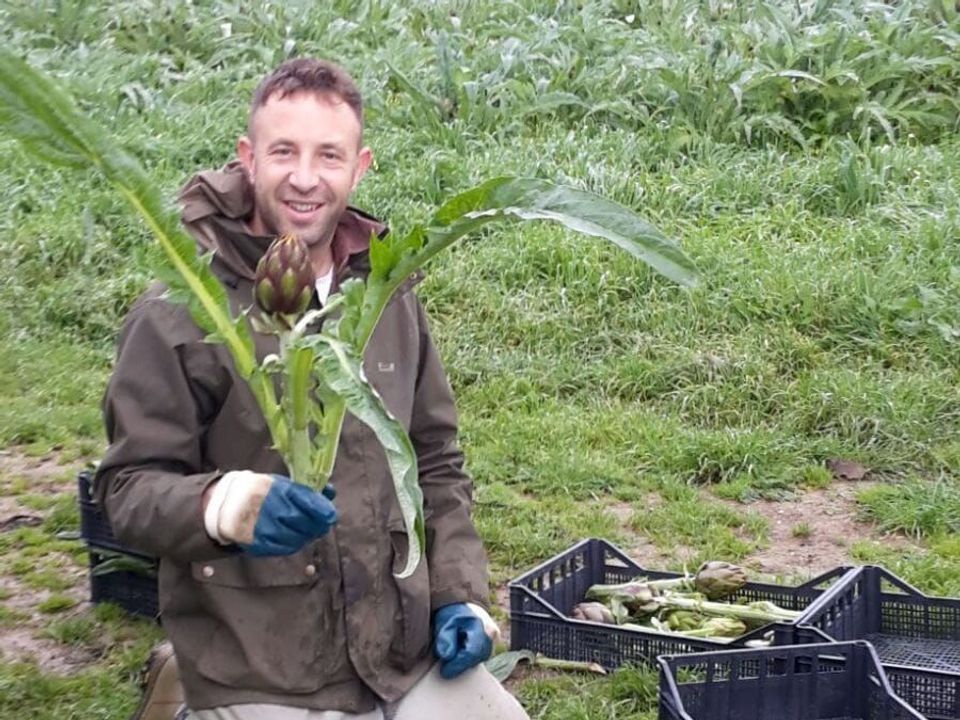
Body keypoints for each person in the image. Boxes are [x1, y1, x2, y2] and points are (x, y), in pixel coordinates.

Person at [95, 57, 530, 720]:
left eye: (329, 155)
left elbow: (434, 458)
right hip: (260, 663)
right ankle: (185, 694)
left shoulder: (387, 293)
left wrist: (457, 593)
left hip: (396, 656)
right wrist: (225, 506)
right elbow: (126, 491)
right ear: (247, 158)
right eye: (283, 152)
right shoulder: (182, 310)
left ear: (360, 167)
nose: (304, 178)